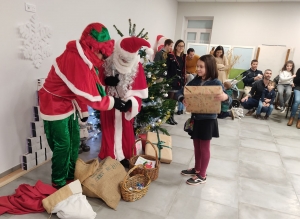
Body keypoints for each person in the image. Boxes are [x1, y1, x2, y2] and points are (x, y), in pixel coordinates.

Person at [38, 23, 126, 189]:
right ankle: (58, 181)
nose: (102, 59)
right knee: (63, 145)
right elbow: (88, 95)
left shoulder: (84, 57)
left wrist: (84, 109)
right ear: (94, 48)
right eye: (102, 54)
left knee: (74, 141)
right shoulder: (75, 59)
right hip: (53, 105)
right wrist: (114, 102)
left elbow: (87, 86)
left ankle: (70, 176)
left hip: (67, 103)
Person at [177, 54, 232, 185]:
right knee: (196, 146)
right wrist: (182, 99)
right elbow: (182, 91)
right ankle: (197, 169)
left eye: (201, 67)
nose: (198, 69)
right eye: (197, 66)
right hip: (195, 118)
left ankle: (202, 175)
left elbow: (228, 103)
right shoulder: (194, 81)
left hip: (208, 120)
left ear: (210, 67)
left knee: (204, 147)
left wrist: (225, 97)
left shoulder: (216, 83)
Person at [98, 36, 150, 168]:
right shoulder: (108, 63)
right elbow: (97, 86)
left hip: (125, 109)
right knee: (109, 130)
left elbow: (140, 93)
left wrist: (131, 103)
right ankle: (110, 156)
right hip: (109, 105)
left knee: (125, 132)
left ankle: (124, 155)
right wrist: (106, 83)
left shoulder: (137, 67)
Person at [166, 39, 186, 122]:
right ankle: (168, 117)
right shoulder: (171, 56)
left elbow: (182, 70)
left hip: (178, 81)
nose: (181, 47)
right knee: (170, 100)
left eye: (182, 46)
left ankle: (171, 117)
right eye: (179, 46)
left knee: (174, 100)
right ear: (176, 46)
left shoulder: (182, 58)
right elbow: (167, 68)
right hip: (171, 80)